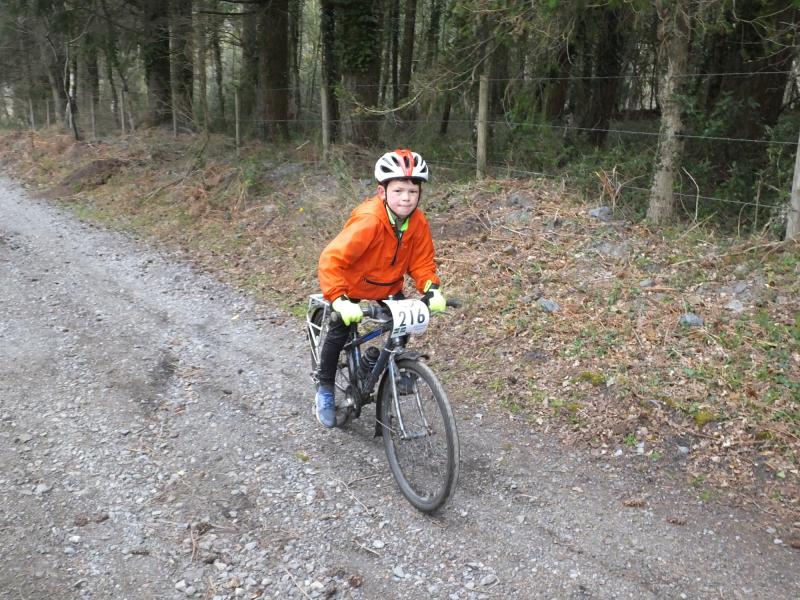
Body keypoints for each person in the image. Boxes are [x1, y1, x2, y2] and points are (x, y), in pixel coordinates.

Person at [314, 149, 447, 427]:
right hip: (350, 287)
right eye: (398, 190)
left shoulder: (417, 222)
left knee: (404, 324)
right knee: (338, 332)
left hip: (387, 287)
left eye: (412, 191)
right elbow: (331, 259)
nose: (406, 197)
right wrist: (339, 299)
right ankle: (325, 388)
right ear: (382, 192)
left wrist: (431, 289)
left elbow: (422, 262)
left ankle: (388, 370)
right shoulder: (370, 220)